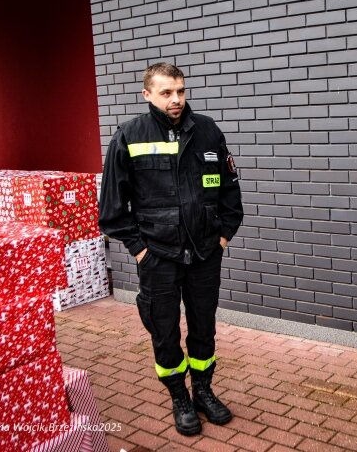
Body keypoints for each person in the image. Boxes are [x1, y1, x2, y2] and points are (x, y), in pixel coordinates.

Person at [99, 62, 243, 436]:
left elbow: (230, 190)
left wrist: (223, 237)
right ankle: (180, 397)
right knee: (164, 332)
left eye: (180, 91)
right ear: (147, 94)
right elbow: (112, 209)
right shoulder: (129, 136)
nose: (175, 99)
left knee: (204, 328)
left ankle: (203, 391)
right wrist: (140, 250)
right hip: (158, 256)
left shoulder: (208, 131)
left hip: (204, 253)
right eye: (166, 93)